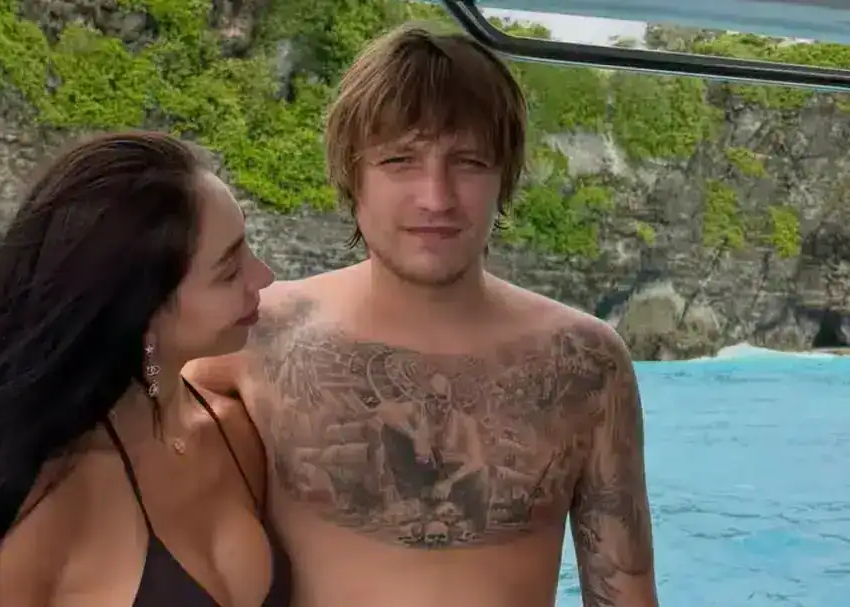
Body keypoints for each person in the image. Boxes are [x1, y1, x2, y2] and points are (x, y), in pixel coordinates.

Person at [184, 23, 659, 607]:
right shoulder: (258, 338)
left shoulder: (586, 363)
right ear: (352, 176)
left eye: (469, 162)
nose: (436, 197)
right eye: (400, 160)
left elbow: (624, 591)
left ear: (504, 178)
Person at [0, 131, 290, 607]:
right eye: (229, 269)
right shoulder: (51, 504)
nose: (264, 276)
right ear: (141, 309)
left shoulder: (235, 431)